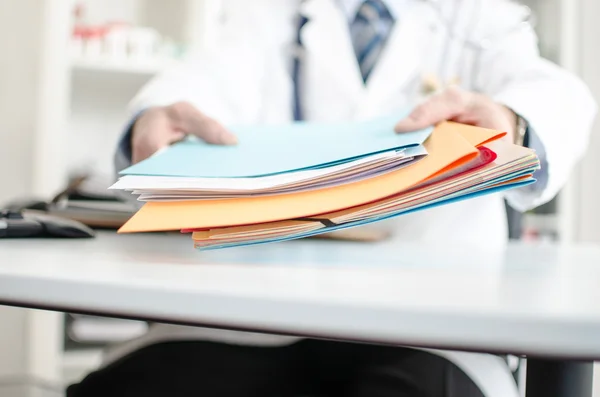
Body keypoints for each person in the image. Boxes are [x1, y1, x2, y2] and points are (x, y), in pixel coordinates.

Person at [68, 0, 597, 396]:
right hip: (258, 315)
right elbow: (201, 81)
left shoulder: (476, 16)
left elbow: (557, 93)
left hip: (432, 325)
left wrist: (513, 122)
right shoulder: (272, 15)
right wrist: (155, 117)